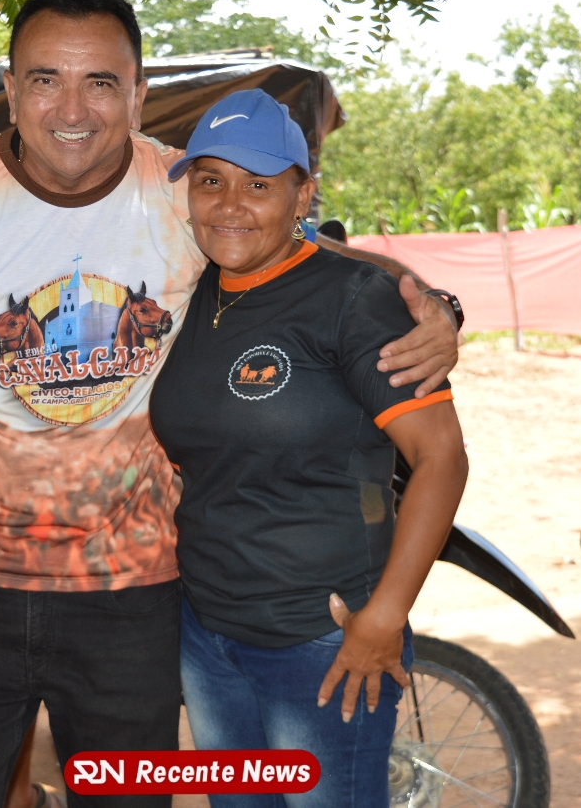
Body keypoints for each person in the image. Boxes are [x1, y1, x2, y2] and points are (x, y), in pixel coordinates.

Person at [0, 0, 462, 807]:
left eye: (101, 82)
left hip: (135, 594)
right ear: (11, 89)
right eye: (46, 79)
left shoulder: (186, 193)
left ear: (138, 93)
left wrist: (437, 304)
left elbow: (305, 254)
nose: (73, 108)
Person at [148, 90, 467, 807]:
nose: (230, 204)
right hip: (209, 634)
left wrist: (384, 617)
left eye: (259, 185)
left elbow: (443, 460)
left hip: (320, 639)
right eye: (211, 180)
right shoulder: (198, 289)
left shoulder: (355, 300)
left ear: (303, 195)